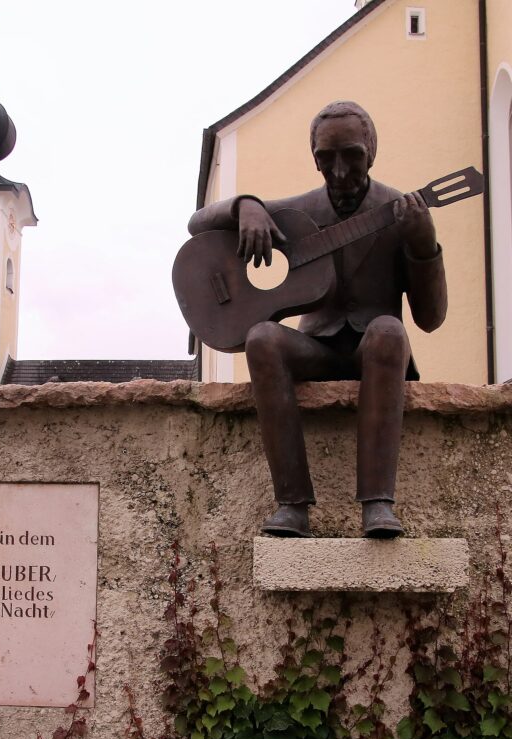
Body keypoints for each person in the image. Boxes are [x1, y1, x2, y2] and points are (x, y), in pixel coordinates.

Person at [187, 101, 447, 538]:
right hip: (318, 348)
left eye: (352, 156)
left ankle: (378, 503)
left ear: (372, 151)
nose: (340, 171)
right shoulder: (300, 213)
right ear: (315, 159)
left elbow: (430, 318)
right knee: (263, 338)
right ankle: (292, 505)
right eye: (326, 160)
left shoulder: (400, 212)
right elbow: (198, 222)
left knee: (387, 328)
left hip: (377, 353)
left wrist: (424, 247)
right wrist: (245, 207)